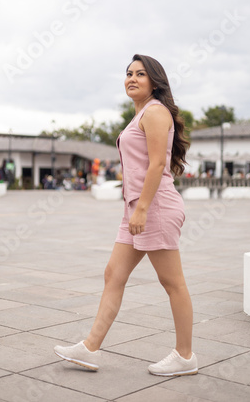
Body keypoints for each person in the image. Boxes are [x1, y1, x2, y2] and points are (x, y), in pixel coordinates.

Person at [54, 54, 198, 377]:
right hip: (136, 208)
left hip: (154, 206)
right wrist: (135, 208)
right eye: (128, 73)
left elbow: (157, 164)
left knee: (172, 282)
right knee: (113, 274)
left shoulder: (157, 112)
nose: (132, 78)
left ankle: (185, 356)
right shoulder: (140, 114)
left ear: (155, 81)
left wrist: (143, 208)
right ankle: (90, 348)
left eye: (140, 74)